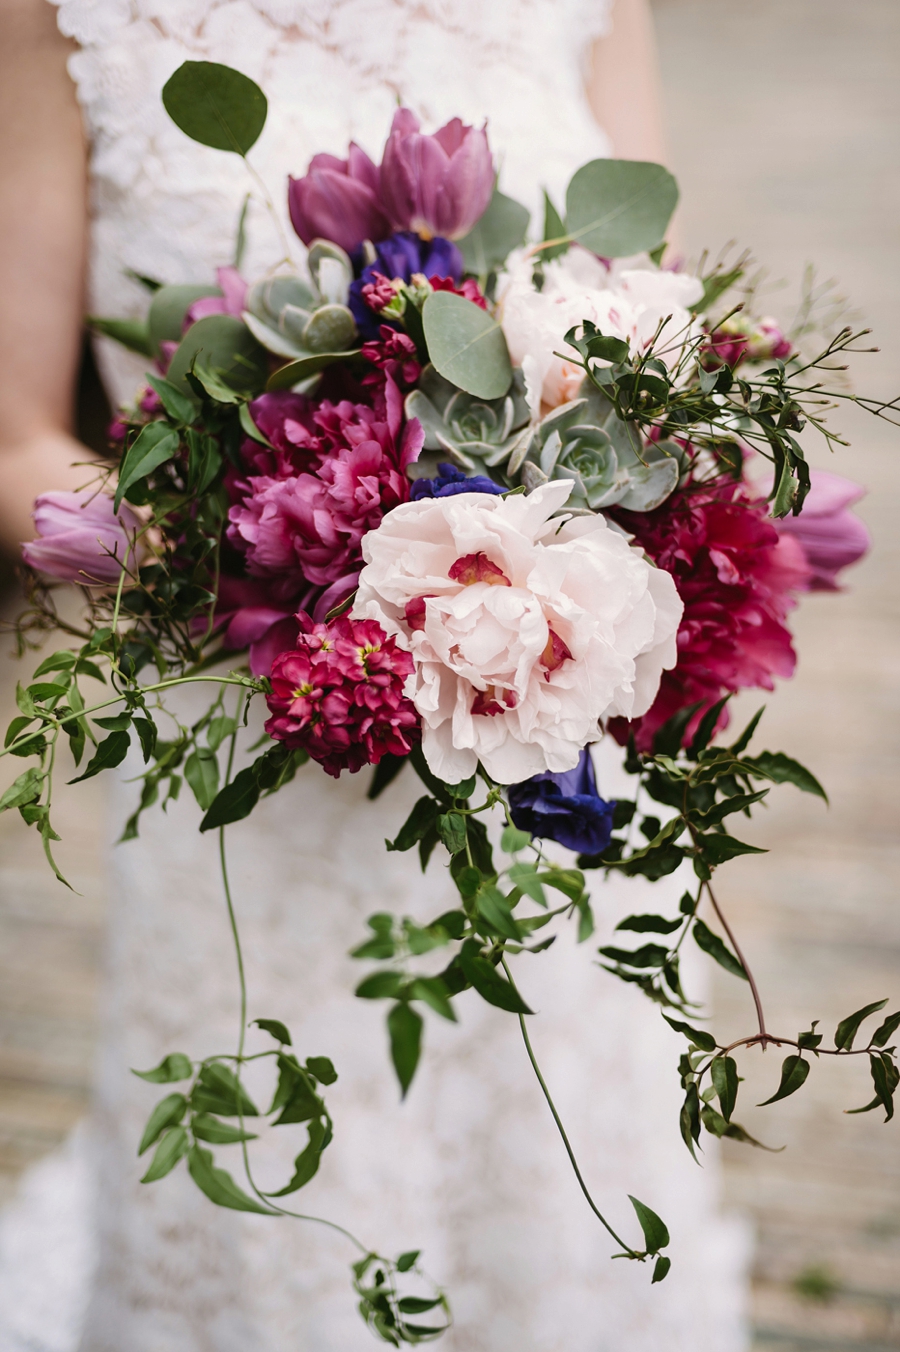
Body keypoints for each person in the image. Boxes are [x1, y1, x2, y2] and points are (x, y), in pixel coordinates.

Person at [0, 2, 748, 1349]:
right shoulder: (65, 21)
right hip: (251, 713)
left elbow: (660, 331)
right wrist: (277, 557)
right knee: (286, 1151)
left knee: (559, 1108)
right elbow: (18, 447)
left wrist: (585, 526)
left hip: (550, 716)